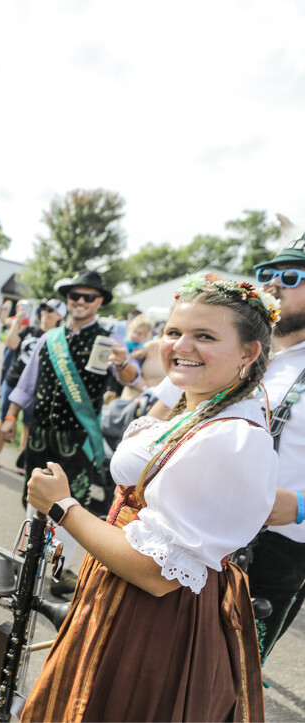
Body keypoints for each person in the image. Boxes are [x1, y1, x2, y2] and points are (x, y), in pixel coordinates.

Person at [21, 272, 278, 721]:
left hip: (151, 617)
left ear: (248, 352)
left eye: (205, 336)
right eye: (174, 332)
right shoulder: (198, 404)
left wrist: (63, 507)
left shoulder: (233, 438)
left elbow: (157, 574)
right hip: (117, 588)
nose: (181, 346)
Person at [150, 237, 305, 667]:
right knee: (157, 659)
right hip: (183, 522)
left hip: (274, 551)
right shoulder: (224, 342)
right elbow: (161, 410)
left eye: (291, 277)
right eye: (267, 274)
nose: (275, 284)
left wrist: (301, 507)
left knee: (226, 679)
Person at [2, 270, 139, 576]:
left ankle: (57, 569)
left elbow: (132, 379)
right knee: (34, 495)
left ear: (99, 301)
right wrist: (10, 416)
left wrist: (123, 362)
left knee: (70, 504)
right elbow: (27, 383)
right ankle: (30, 559)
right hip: (40, 434)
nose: (80, 301)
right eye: (74, 296)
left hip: (77, 438)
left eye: (88, 297)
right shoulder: (49, 338)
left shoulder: (109, 340)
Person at [0, 299, 64, 469]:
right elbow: (11, 343)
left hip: (38, 390)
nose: (45, 313)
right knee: (4, 418)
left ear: (60, 316)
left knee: (29, 424)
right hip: (14, 381)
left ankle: (24, 462)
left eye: (50, 310)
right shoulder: (30, 330)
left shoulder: (60, 341)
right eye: (43, 310)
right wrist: (19, 319)